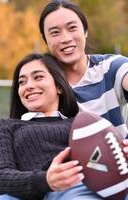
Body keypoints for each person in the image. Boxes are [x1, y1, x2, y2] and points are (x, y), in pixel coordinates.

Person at [38, 0, 128, 199]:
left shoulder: (111, 67)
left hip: (121, 173)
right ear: (45, 39)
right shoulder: (42, 85)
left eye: (72, 28)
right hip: (71, 186)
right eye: (54, 32)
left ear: (85, 31)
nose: (66, 38)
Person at [0, 52, 98, 200]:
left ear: (59, 87)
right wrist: (46, 180)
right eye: (22, 82)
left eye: (38, 77)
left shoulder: (82, 123)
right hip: (33, 194)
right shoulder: (6, 127)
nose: (29, 86)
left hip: (80, 187)